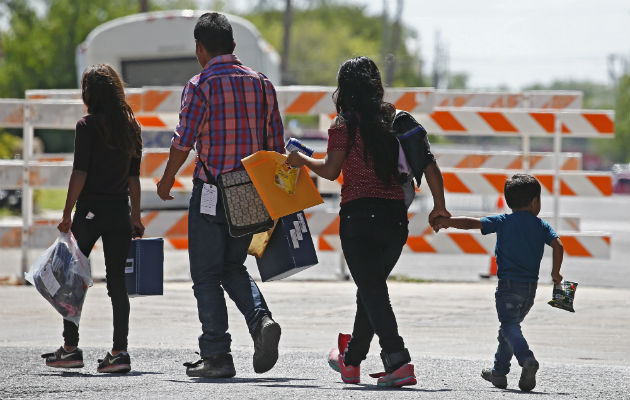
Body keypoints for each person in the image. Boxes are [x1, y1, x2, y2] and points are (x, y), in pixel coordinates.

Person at [287, 56, 449, 387]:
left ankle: (398, 360)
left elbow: (331, 171)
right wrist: (439, 208)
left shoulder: (343, 124)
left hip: (358, 217)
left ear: (344, 89)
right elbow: (430, 166)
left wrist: (300, 159)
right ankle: (351, 361)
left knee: (372, 289)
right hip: (394, 220)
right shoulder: (397, 120)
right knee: (370, 289)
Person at [156, 12, 285, 378]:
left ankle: (216, 355)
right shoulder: (262, 84)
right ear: (233, 45)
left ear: (200, 47)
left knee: (206, 274)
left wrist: (166, 180)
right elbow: (274, 146)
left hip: (212, 190)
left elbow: (183, 141)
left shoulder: (200, 85)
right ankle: (262, 321)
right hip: (251, 193)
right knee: (232, 265)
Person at [44, 64, 144, 373]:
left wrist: (66, 213)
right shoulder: (132, 126)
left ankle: (71, 349)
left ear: (90, 94)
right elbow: (133, 180)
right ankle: (119, 352)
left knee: (72, 277)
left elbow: (80, 173)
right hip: (118, 213)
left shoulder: (86, 126)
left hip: (89, 212)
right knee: (117, 284)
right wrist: (136, 217)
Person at [433, 173, 564, 392]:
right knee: (508, 329)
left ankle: (526, 358)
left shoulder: (504, 221)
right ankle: (499, 373)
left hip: (508, 287)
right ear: (535, 202)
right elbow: (558, 246)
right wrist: (556, 274)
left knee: (509, 326)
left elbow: (470, 223)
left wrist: (446, 222)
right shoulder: (542, 226)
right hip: (530, 290)